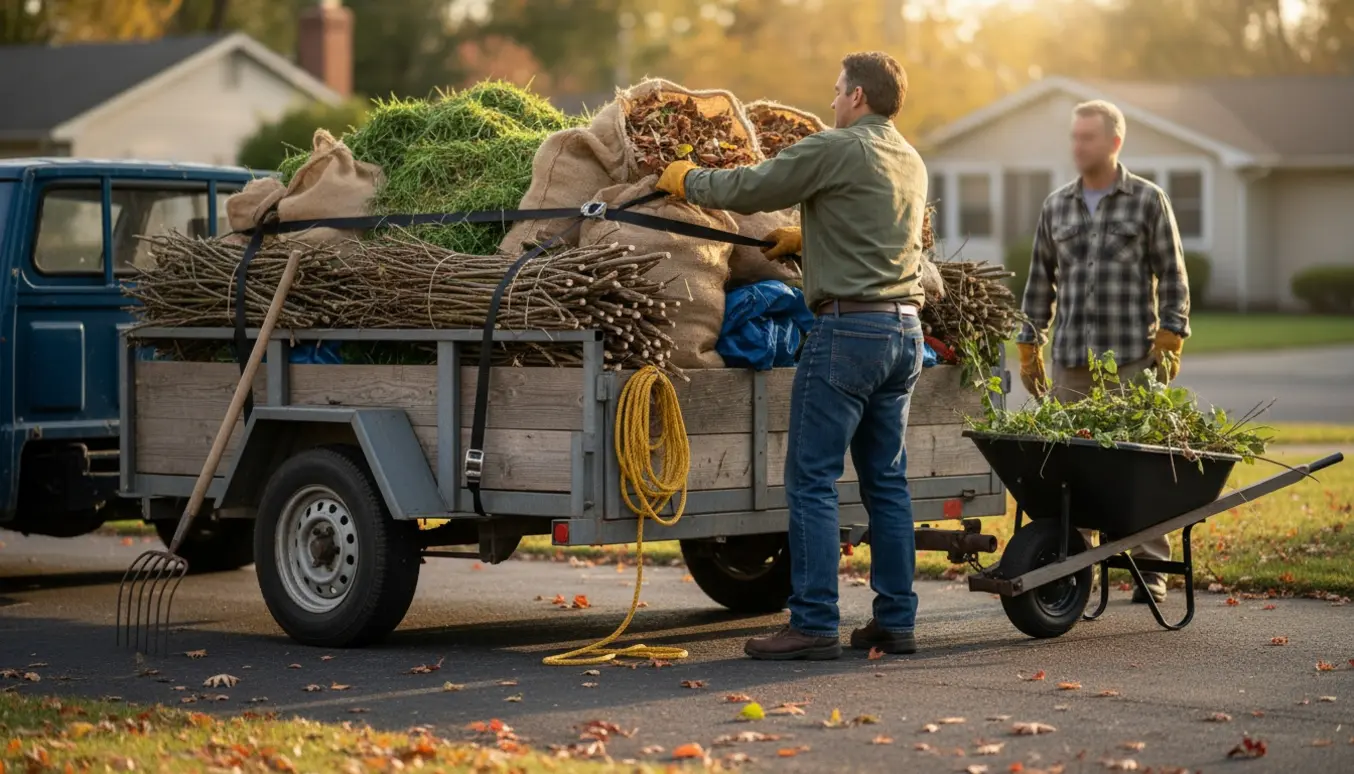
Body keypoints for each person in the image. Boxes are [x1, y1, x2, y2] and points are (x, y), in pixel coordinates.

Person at [655, 51, 929, 660]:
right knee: (886, 482)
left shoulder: (839, 146)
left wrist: (688, 179)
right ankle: (896, 621)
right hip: (903, 333)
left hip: (848, 333)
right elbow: (880, 229)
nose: (832, 101)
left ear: (858, 96)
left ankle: (812, 624)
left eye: (837, 91)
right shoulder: (908, 158)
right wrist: (811, 237)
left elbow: (753, 187)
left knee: (811, 479)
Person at [1015, 99, 1192, 605]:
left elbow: (1173, 275)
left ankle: (1149, 569)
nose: (1078, 146)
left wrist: (1171, 335)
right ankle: (1077, 570)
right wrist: (1029, 343)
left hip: (1131, 360)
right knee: (1073, 473)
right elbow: (1039, 283)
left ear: (1114, 142)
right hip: (1071, 362)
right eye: (1074, 136)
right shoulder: (1056, 206)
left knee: (1137, 469)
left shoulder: (1148, 200)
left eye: (1087, 137)